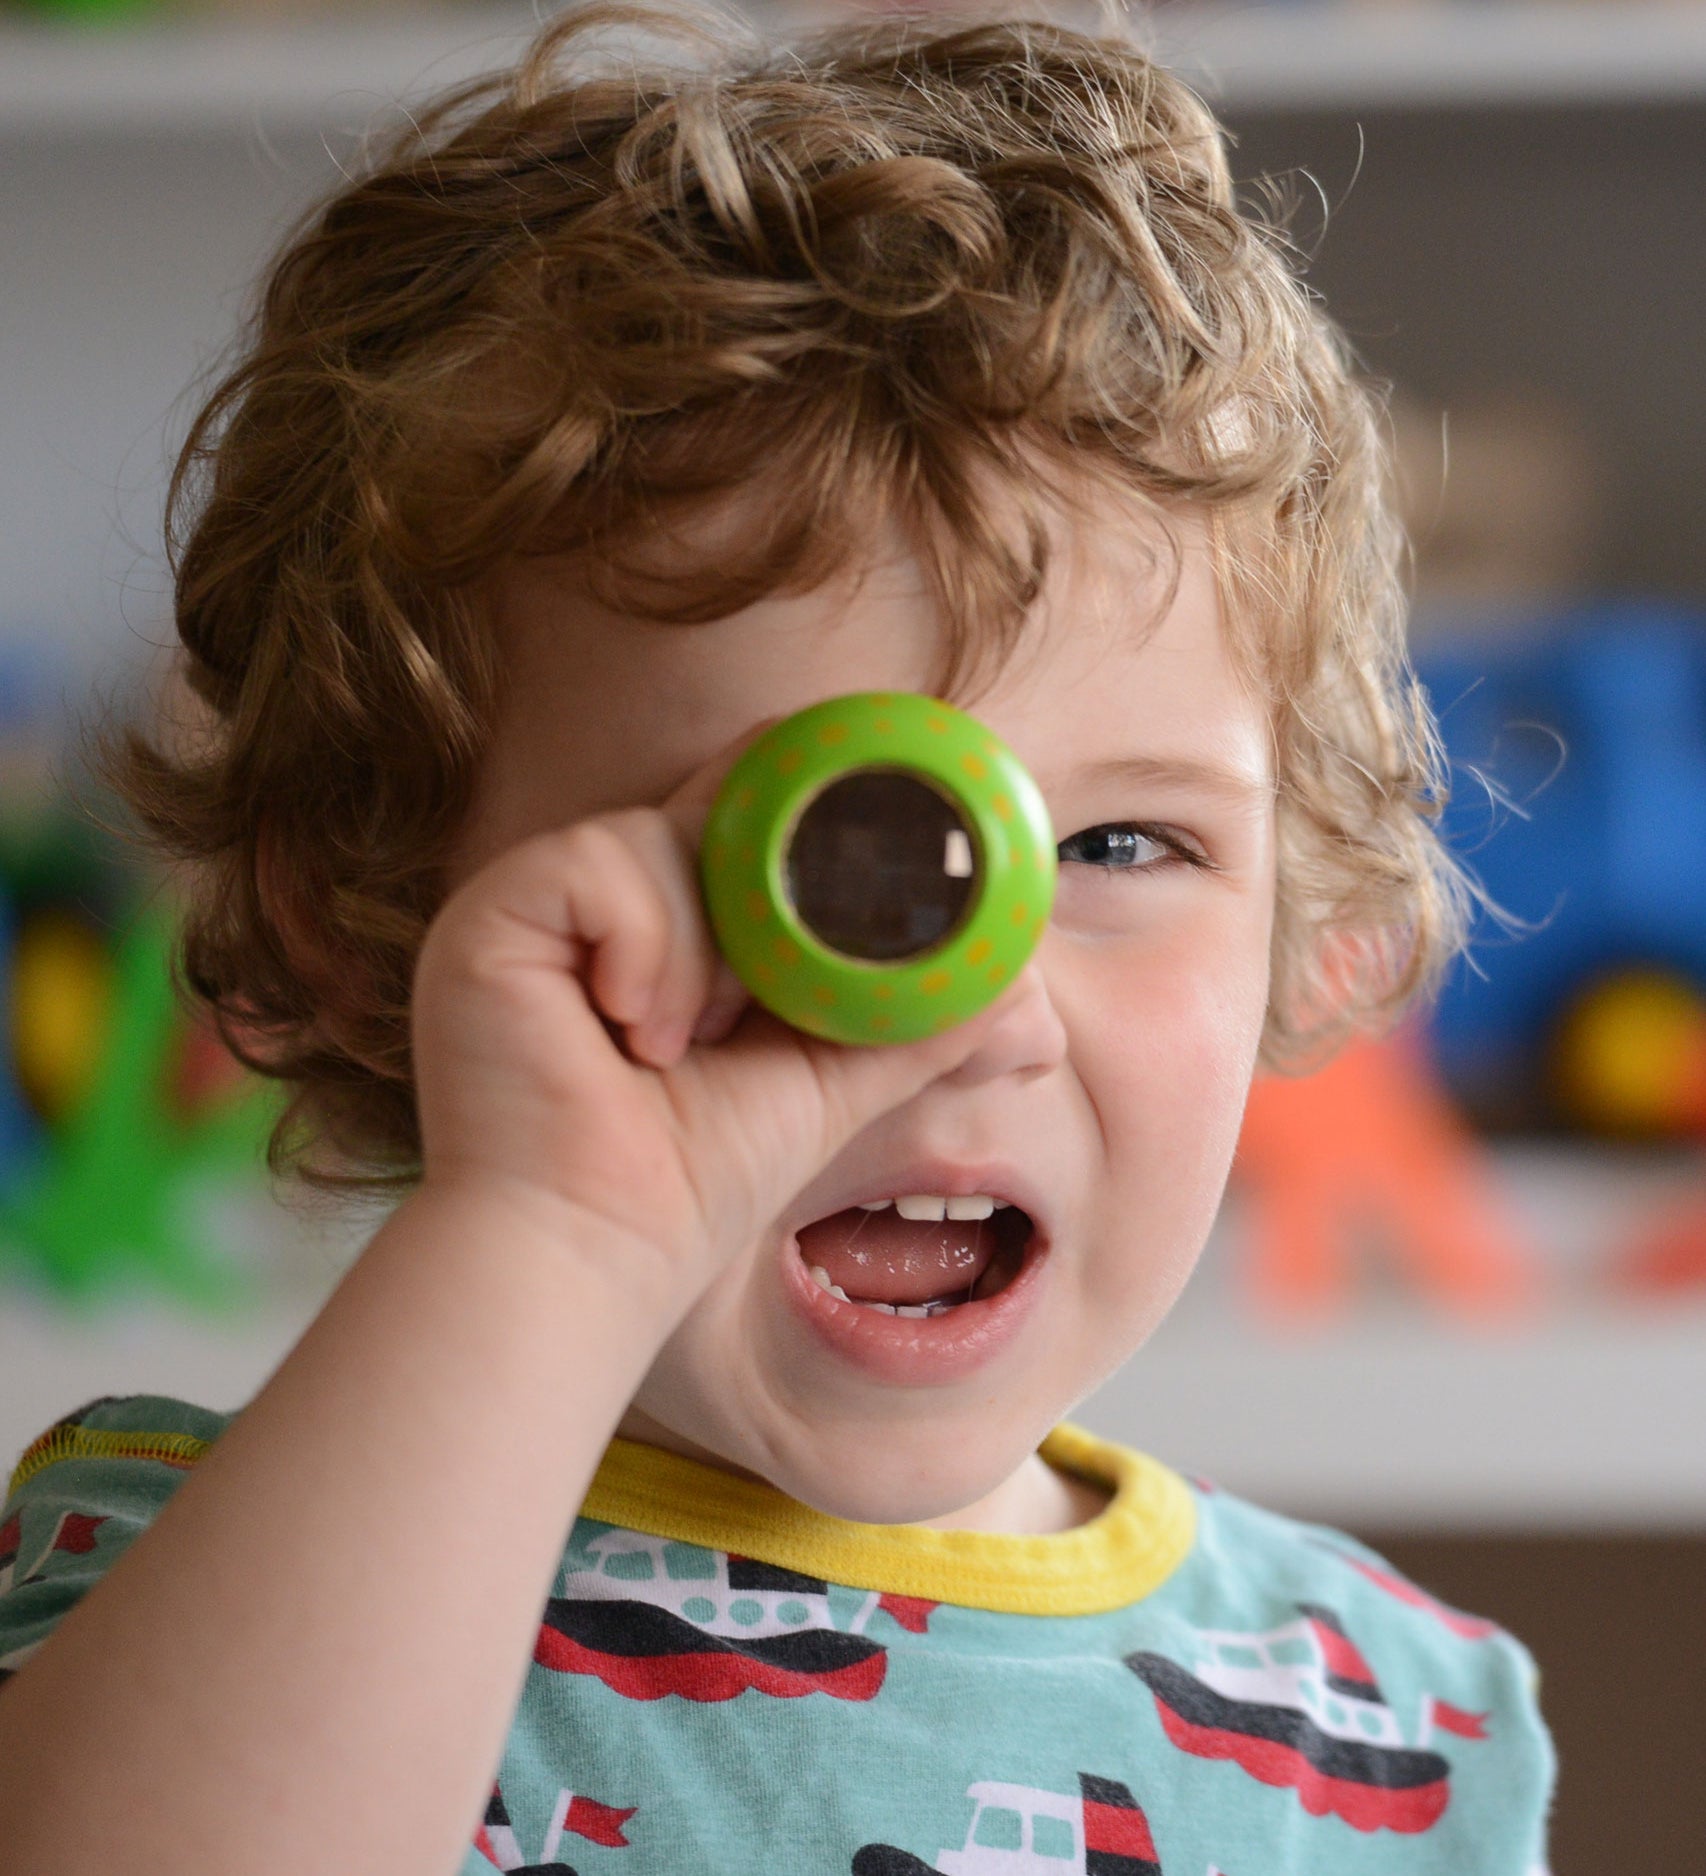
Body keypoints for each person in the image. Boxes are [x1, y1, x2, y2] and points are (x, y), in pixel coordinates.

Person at [0, 7, 1555, 1872]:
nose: (966, 1009)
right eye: (808, 867)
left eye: (1123, 842)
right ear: (367, 926)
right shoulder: (207, 1596)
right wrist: (559, 1224)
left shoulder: (1387, 1732)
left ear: (1311, 928)